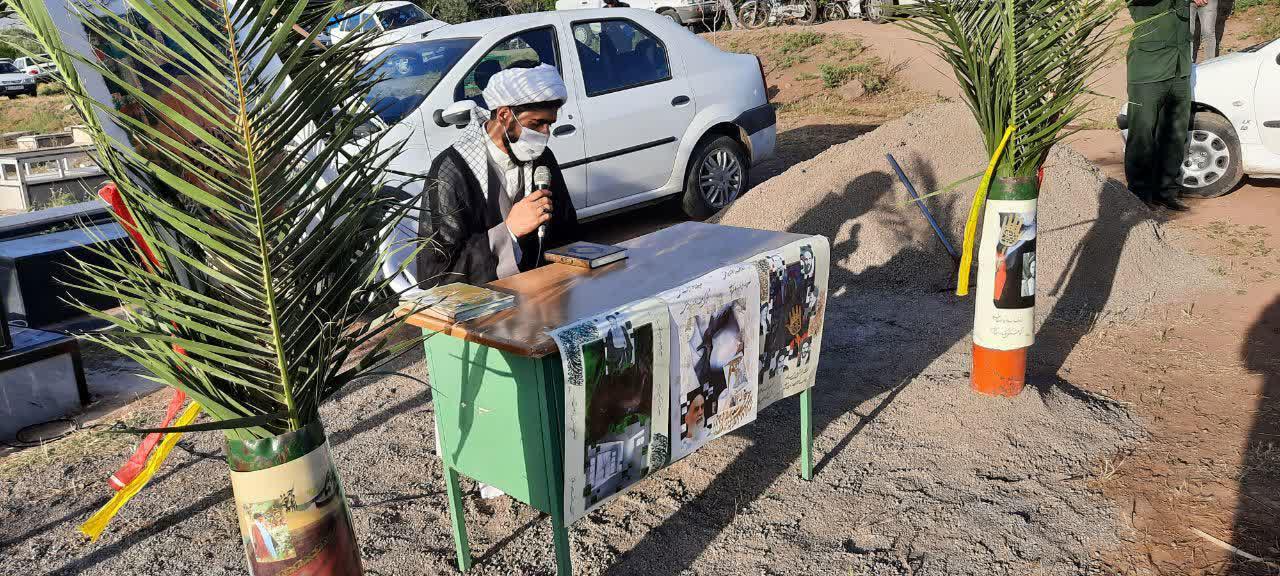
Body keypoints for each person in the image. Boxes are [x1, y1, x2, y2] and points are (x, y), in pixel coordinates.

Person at [416, 63, 580, 289]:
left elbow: (567, 234)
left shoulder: (543, 158)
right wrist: (510, 230)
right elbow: (435, 275)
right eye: (536, 123)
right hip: (483, 308)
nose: (545, 134)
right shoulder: (452, 170)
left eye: (549, 124)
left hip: (546, 296)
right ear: (504, 115)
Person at [1125, 0, 1201, 212]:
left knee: (1175, 134)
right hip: (1148, 70)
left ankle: (1166, 191)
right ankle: (1139, 195)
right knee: (1142, 134)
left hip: (1180, 67)